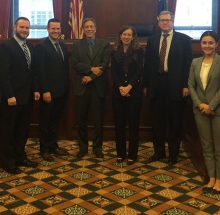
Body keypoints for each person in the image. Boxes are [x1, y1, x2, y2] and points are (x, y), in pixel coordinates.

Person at [143, 10, 192, 165]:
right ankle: (159, 152)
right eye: (162, 20)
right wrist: (146, 85)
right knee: (157, 121)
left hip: (176, 86)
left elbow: (187, 64)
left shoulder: (183, 40)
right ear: (158, 22)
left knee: (175, 123)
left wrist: (186, 85)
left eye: (168, 20)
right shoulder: (152, 40)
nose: (165, 22)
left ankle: (173, 155)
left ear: (173, 21)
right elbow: (148, 66)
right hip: (156, 85)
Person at [188, 31, 220, 194]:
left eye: (210, 43)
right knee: (206, 146)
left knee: (219, 147)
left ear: (216, 44)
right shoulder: (195, 63)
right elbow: (191, 85)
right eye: (204, 43)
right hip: (200, 110)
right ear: (201, 45)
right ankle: (211, 178)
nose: (207, 46)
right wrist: (200, 104)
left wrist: (210, 106)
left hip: (219, 111)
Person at [0, 17, 40, 174]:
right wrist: (9, 95)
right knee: (8, 132)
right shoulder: (5, 47)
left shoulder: (30, 46)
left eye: (27, 28)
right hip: (12, 98)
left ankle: (20, 157)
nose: (25, 30)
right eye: (22, 27)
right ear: (14, 27)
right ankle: (8, 163)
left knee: (23, 130)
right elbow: (3, 73)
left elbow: (32, 72)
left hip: (27, 96)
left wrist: (35, 89)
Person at [72, 17, 110, 159]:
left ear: (95, 28)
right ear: (83, 28)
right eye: (86, 27)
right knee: (81, 121)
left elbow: (105, 65)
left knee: (98, 120)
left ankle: (97, 148)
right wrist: (91, 69)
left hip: (98, 86)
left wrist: (90, 77)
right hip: (81, 87)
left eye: (91, 26)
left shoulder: (104, 44)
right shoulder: (77, 45)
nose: (89, 29)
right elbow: (76, 63)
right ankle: (82, 148)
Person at [34, 18, 70, 162]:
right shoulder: (41, 47)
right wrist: (45, 91)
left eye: (58, 29)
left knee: (55, 121)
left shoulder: (62, 45)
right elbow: (40, 71)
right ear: (48, 30)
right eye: (53, 29)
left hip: (62, 91)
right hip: (49, 92)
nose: (56, 31)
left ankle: (53, 146)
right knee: (45, 121)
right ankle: (44, 149)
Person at [111, 26, 144, 165]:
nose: (126, 37)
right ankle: (120, 154)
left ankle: (132, 155)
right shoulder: (114, 51)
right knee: (119, 125)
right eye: (124, 34)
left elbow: (139, 71)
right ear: (120, 36)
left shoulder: (138, 50)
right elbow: (113, 72)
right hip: (118, 93)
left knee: (133, 125)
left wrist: (129, 87)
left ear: (133, 37)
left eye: (129, 34)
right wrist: (121, 87)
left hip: (134, 93)